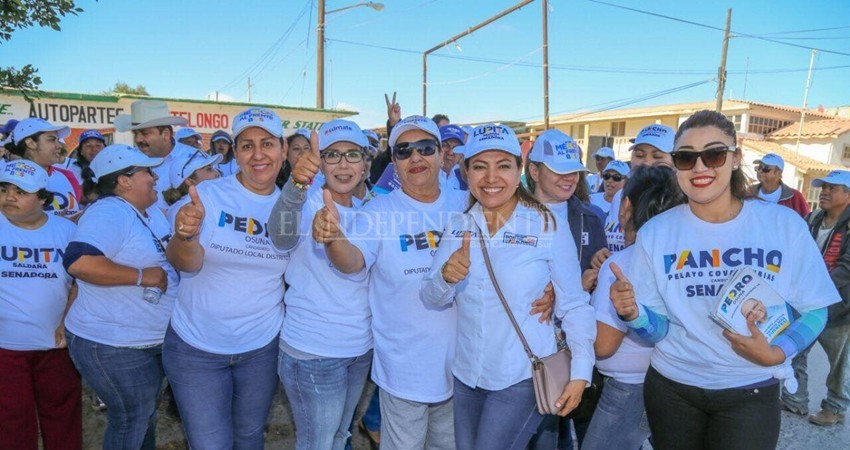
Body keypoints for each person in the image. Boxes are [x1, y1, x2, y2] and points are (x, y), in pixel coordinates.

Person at [314, 115, 554, 449]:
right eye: (403, 151)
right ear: (393, 161)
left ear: (443, 154)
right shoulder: (379, 211)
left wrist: (550, 284)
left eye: (425, 148)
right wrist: (334, 240)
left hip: (467, 369)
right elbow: (352, 262)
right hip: (404, 369)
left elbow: (519, 256)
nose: (415, 158)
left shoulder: (468, 202)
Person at [611, 110, 840, 449]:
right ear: (675, 165)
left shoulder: (783, 225)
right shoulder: (657, 232)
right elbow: (657, 330)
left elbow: (815, 309)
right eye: (686, 157)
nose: (700, 167)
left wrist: (777, 353)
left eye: (714, 154)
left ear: (736, 158)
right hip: (672, 389)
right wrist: (633, 314)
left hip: (750, 389)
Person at [420, 123, 595, 450]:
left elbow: (574, 304)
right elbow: (430, 295)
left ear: (519, 171)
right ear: (466, 173)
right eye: (479, 167)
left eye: (503, 166)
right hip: (467, 375)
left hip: (521, 376)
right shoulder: (459, 225)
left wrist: (581, 371)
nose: (491, 178)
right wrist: (446, 276)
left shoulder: (546, 225)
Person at [164, 107, 291, 448]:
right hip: (196, 347)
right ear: (235, 152)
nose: (258, 154)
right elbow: (184, 264)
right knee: (209, 444)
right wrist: (186, 237)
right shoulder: (207, 197)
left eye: (267, 143)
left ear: (283, 149)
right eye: (247, 146)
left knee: (249, 437)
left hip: (261, 347)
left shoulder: (293, 208)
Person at [267, 120, 372, 450]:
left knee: (341, 436)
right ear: (319, 162)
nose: (343, 164)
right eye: (332, 155)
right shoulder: (305, 201)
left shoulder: (370, 210)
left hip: (358, 348)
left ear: (366, 164)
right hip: (314, 352)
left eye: (352, 154)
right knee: (317, 443)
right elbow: (280, 236)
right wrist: (297, 184)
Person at [63, 144, 177, 449]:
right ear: (124, 181)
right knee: (132, 418)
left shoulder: (147, 211)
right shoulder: (110, 211)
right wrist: (142, 276)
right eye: (147, 171)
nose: (154, 177)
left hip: (141, 341)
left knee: (142, 416)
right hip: (113, 344)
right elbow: (79, 262)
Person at [582, 165, 684, 450]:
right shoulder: (678, 258)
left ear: (625, 206)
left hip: (628, 390)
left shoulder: (623, 263)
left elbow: (604, 346)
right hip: (666, 383)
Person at [524, 129, 607, 449]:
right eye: (559, 170)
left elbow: (599, 284)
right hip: (531, 350)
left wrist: (590, 281)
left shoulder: (592, 217)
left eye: (574, 170)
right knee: (540, 435)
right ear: (534, 170)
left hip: (578, 345)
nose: (569, 178)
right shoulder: (507, 217)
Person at [0, 160, 82, 450]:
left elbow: (79, 282)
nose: (10, 197)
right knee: (11, 423)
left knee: (63, 418)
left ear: (44, 199)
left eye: (21, 191)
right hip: (6, 348)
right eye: (4, 188)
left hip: (56, 345)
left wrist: (67, 322)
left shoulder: (67, 231)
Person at [781, 169, 850, 426]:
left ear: (848, 194)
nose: (825, 192)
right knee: (796, 349)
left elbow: (847, 267)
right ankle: (795, 400)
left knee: (840, 364)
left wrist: (816, 285)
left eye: (833, 188)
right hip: (807, 301)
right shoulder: (812, 219)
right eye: (824, 188)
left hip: (841, 306)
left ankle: (835, 408)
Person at [596, 124, 674, 262]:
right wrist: (601, 256)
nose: (646, 163)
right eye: (639, 155)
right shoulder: (619, 197)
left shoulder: (677, 200)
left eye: (657, 156)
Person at [114, 99, 192, 210]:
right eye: (135, 133)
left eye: (145, 133)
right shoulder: (129, 161)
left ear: (165, 134)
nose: (138, 139)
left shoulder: (195, 160)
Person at [8, 118, 83, 218]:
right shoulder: (7, 179)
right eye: (52, 140)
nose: (59, 146)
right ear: (31, 143)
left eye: (57, 140)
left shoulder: (66, 176)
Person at [162, 149, 222, 224]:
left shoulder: (211, 201)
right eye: (209, 169)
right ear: (189, 181)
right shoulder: (183, 210)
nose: (217, 173)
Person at [752, 153, 810, 219]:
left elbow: (805, 222)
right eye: (759, 167)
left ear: (778, 173)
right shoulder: (748, 192)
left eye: (765, 168)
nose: (760, 171)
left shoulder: (795, 197)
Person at [439, 124, 467, 191]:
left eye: (457, 147)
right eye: (445, 145)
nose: (451, 152)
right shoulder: (424, 178)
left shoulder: (462, 180)